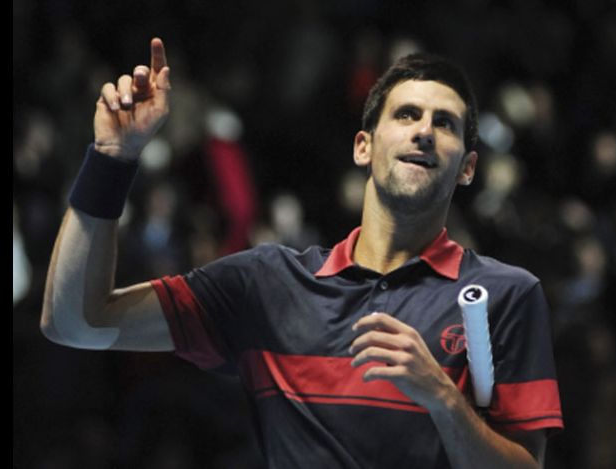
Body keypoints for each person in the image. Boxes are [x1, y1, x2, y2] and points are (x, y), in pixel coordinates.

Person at [41, 37, 563, 468]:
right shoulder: (267, 285)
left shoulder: (505, 296)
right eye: (407, 115)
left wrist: (443, 398)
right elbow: (76, 321)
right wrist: (111, 162)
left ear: (468, 168)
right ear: (363, 146)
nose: (424, 131)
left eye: (444, 123)